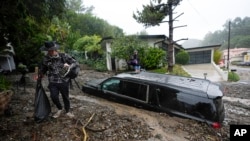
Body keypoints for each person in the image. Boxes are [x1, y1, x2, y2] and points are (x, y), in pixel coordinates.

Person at [39, 41, 76, 119]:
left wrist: (68, 65)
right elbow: (43, 69)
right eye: (49, 51)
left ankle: (68, 111)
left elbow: (75, 63)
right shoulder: (46, 59)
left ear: (56, 49)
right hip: (53, 81)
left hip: (64, 81)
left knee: (65, 97)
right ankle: (59, 108)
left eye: (52, 50)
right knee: (53, 96)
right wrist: (39, 75)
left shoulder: (64, 56)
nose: (51, 52)